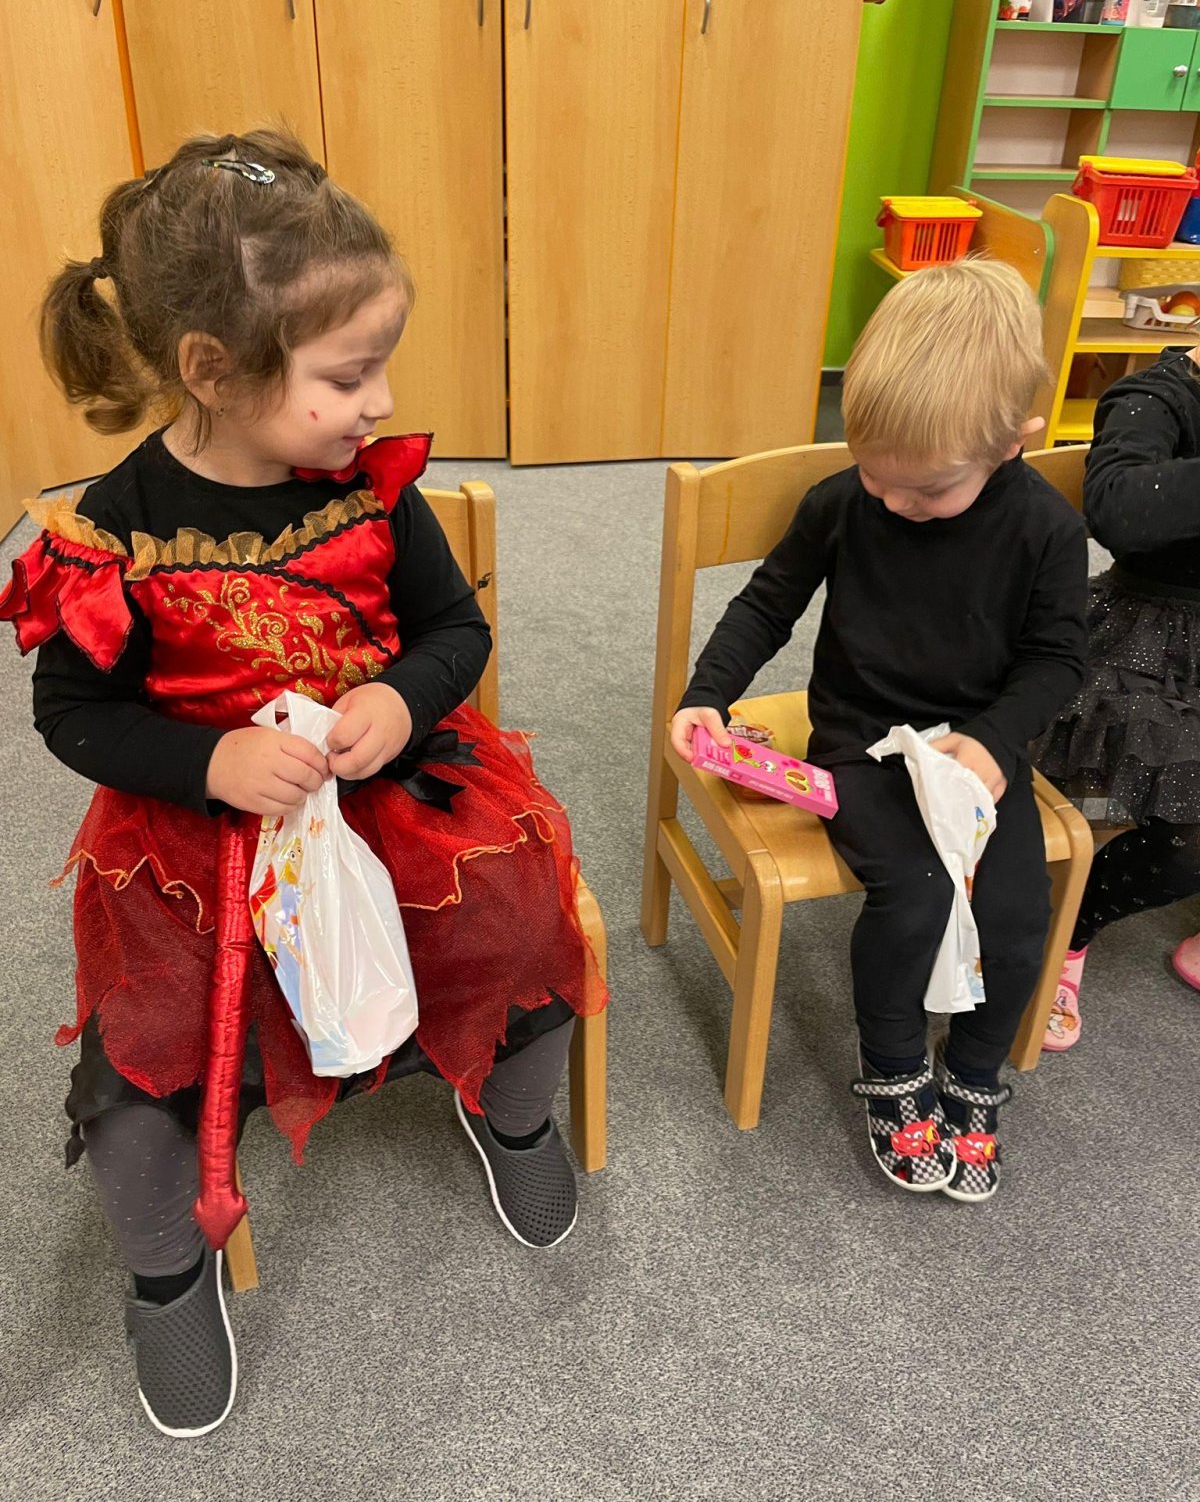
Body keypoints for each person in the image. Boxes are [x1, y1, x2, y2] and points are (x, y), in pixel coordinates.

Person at [0, 130, 605, 1438]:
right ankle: (167, 1273)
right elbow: (71, 715)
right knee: (140, 1060)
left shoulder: (371, 492)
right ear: (211, 371)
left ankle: (509, 1119)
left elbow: (454, 630)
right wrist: (211, 759)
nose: (381, 402)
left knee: (523, 928)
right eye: (348, 374)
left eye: (380, 364)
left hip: (389, 797)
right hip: (194, 833)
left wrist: (401, 697)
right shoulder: (112, 533)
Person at [670, 260, 1087, 1204]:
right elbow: (766, 604)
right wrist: (708, 692)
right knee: (917, 896)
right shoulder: (843, 502)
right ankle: (895, 1065)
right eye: (875, 475)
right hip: (860, 738)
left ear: (1014, 443)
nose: (895, 503)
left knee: (1016, 914)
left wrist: (995, 740)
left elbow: (1058, 660)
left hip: (976, 752)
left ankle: (973, 1071)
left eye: (928, 489)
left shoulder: (1045, 530)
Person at [1037, 346, 1200, 1051]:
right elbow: (1119, 509)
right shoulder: (1158, 396)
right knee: (1150, 819)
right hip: (1148, 638)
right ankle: (1068, 928)